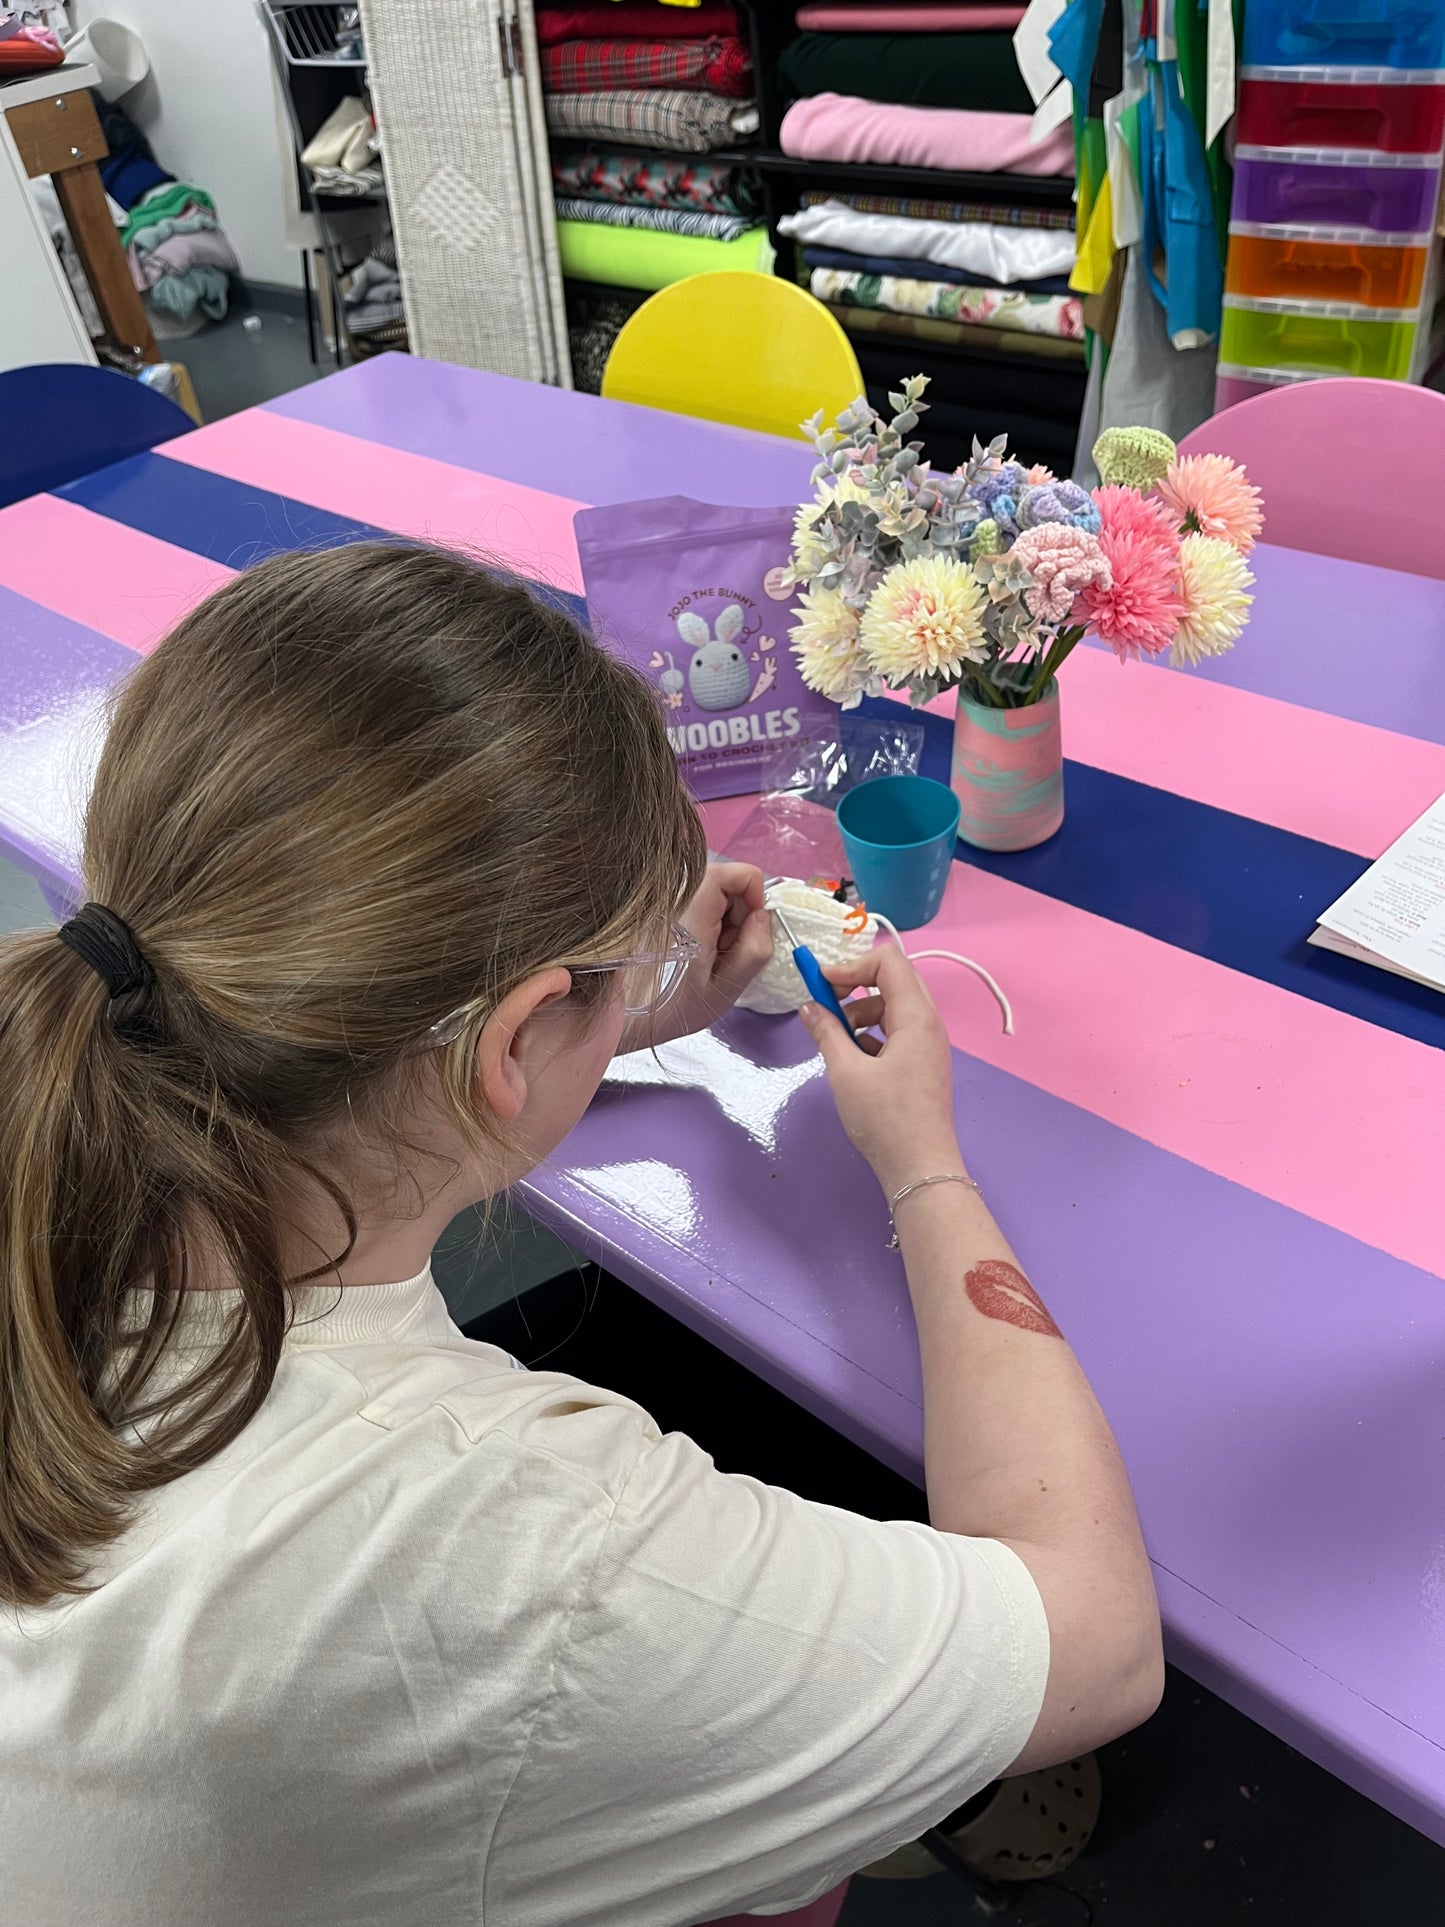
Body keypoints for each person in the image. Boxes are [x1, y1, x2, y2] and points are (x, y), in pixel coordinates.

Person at [0, 544, 1162, 1927]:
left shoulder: (68, 1095)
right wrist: (923, 1162)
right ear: (507, 1042)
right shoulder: (521, 1551)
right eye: (615, 972)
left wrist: (604, 1017)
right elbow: (1101, 1646)